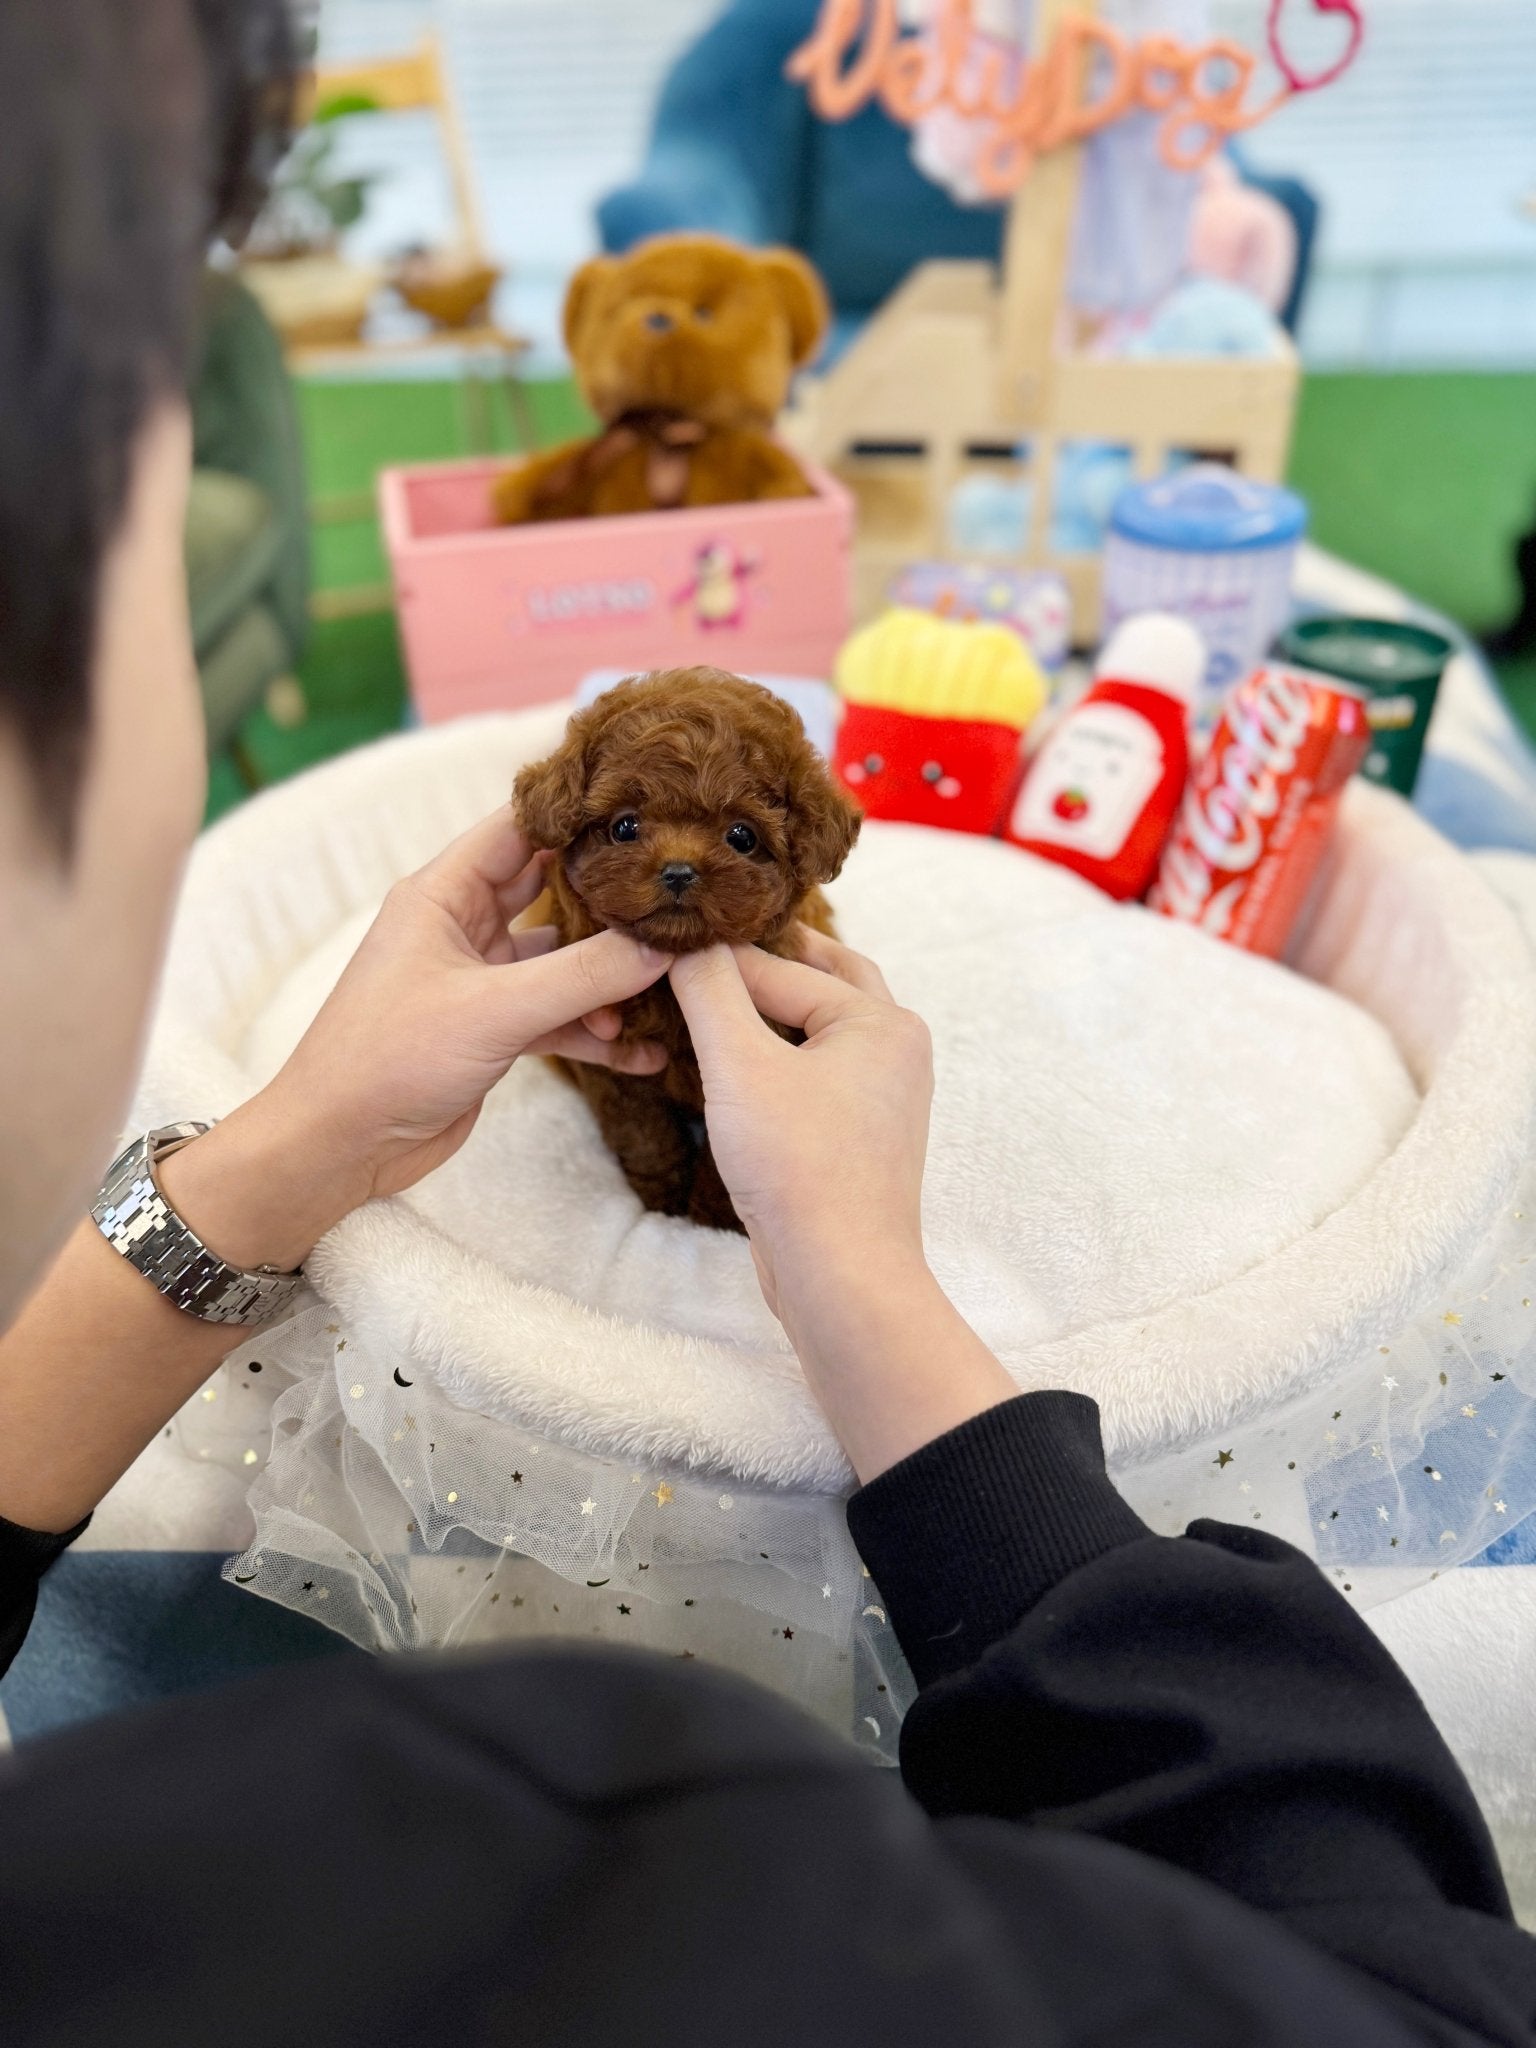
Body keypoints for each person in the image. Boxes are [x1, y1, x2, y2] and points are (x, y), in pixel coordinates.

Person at [0, 4, 1534, 2044]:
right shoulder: (626, 1871)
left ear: (798, 844)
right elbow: (1390, 1957)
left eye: (726, 835)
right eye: (152, 522)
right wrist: (880, 1303)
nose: (666, 865)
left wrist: (282, 1153)